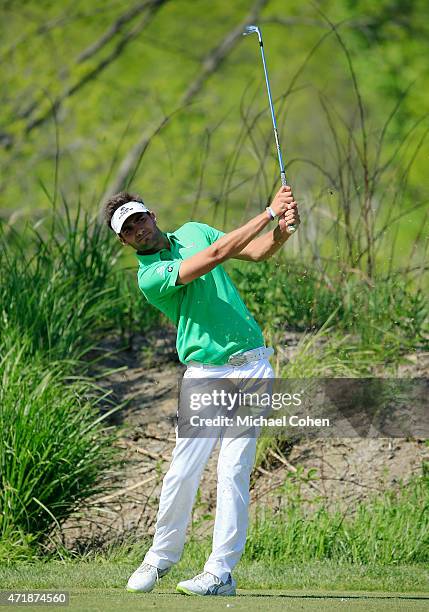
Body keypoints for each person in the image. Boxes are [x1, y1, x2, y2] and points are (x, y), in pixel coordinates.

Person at [103, 186, 300, 596]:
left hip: (252, 367)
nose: (138, 229)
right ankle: (159, 559)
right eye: (128, 229)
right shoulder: (150, 277)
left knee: (233, 470)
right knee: (182, 471)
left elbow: (257, 252)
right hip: (205, 374)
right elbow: (214, 257)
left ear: (152, 215)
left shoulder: (195, 229)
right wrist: (267, 211)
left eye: (139, 219)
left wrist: (282, 230)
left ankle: (220, 573)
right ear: (123, 241)